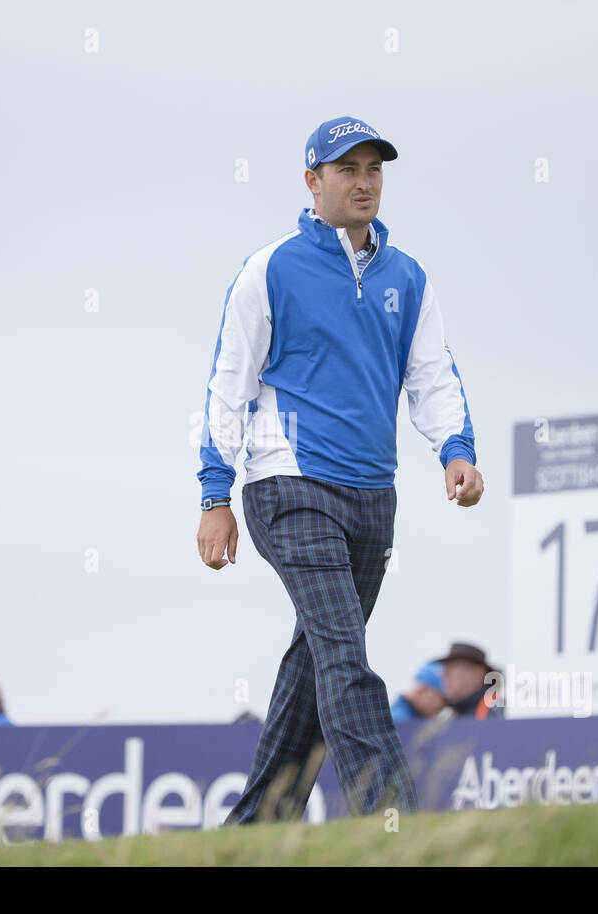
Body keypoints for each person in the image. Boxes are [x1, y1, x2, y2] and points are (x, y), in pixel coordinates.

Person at [196, 116, 483, 823]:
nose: (364, 182)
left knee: (317, 660)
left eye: (374, 169)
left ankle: (257, 826)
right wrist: (214, 492)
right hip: (285, 481)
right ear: (312, 182)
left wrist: (457, 451)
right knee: (346, 656)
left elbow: (432, 375)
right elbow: (228, 381)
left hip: (370, 496)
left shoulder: (407, 275)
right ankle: (393, 819)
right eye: (348, 169)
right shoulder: (270, 268)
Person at [434, 642, 503, 719]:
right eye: (443, 668)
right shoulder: (447, 713)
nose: (444, 674)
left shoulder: (497, 710)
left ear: (478, 672)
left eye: (452, 667)